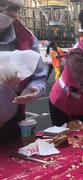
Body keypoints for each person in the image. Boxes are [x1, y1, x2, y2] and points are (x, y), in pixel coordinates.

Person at [0, 0, 47, 144]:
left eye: (13, 8)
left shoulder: (27, 39)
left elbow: (39, 77)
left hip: (12, 122)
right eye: (1, 4)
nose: (5, 11)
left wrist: (33, 89)